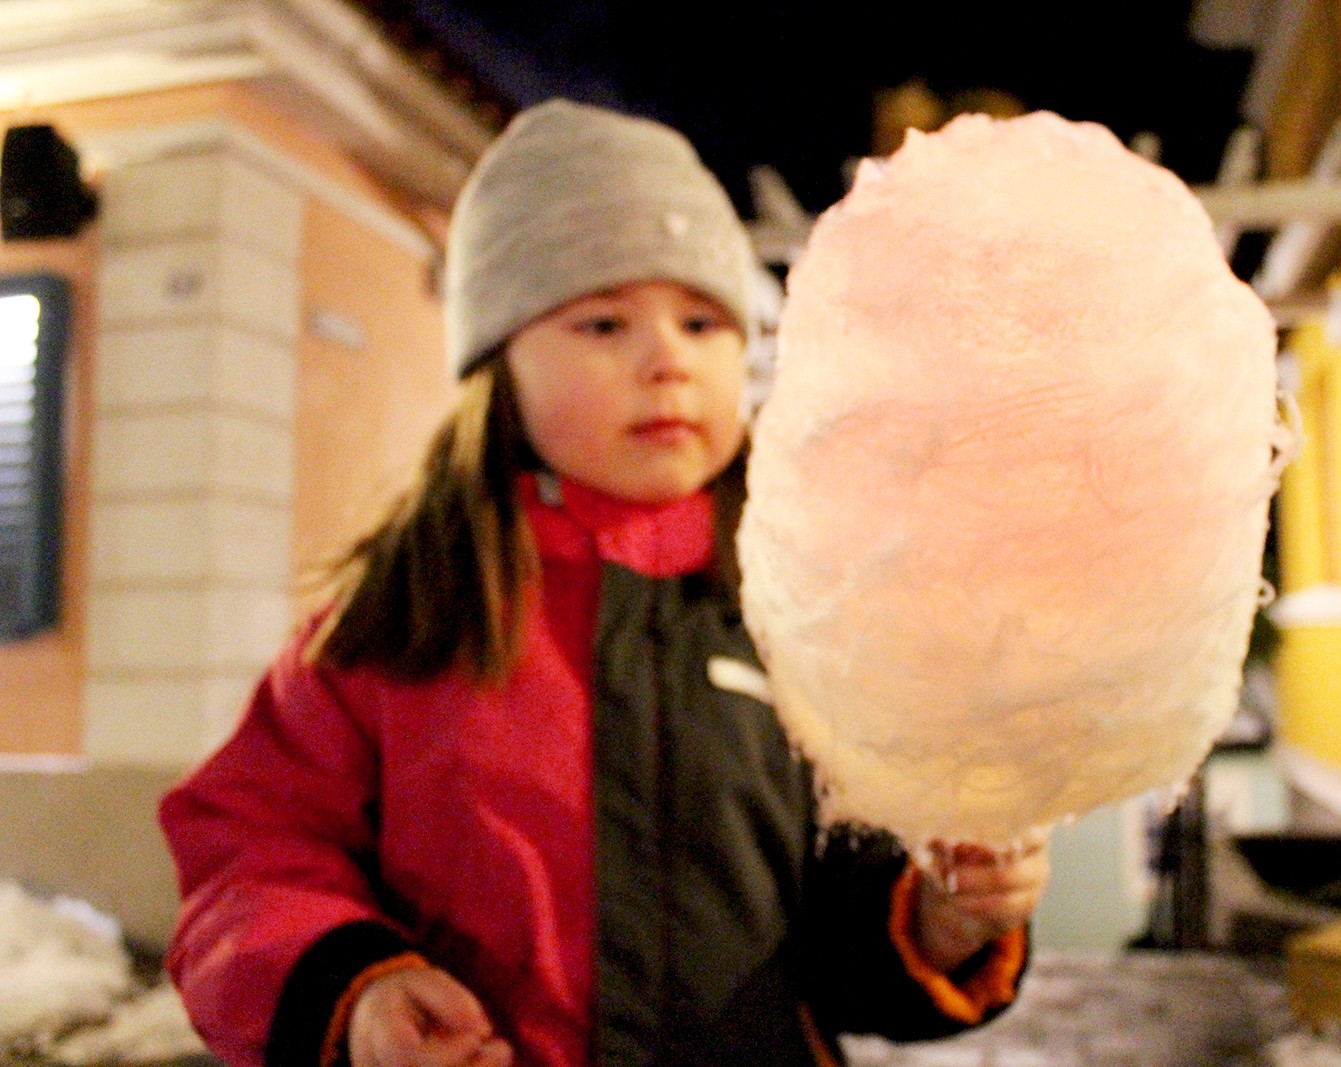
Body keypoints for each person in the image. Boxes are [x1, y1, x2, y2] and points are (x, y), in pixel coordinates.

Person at [160, 99, 1050, 1067]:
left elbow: (843, 924)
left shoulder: (810, 617)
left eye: (704, 320)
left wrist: (940, 918)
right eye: (603, 320)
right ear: (500, 367)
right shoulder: (399, 618)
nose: (666, 358)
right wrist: (355, 984)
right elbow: (245, 853)